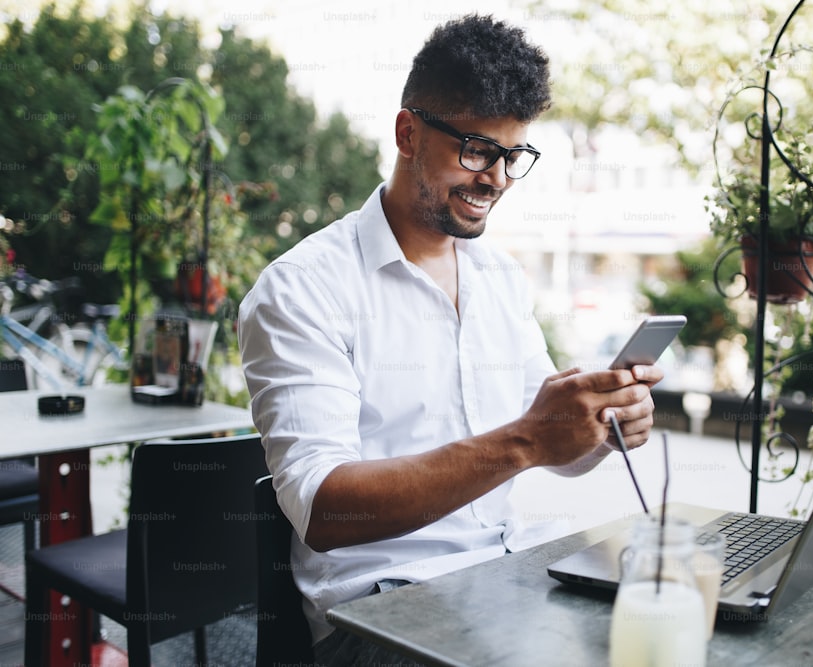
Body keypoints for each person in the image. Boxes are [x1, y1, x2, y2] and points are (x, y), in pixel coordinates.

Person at [238, 13, 664, 665]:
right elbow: (323, 508)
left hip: (505, 577)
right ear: (408, 133)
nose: (495, 176)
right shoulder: (303, 287)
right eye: (476, 149)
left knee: (663, 631)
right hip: (374, 615)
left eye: (512, 155)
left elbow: (554, 448)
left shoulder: (501, 279)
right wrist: (526, 438)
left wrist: (600, 427)